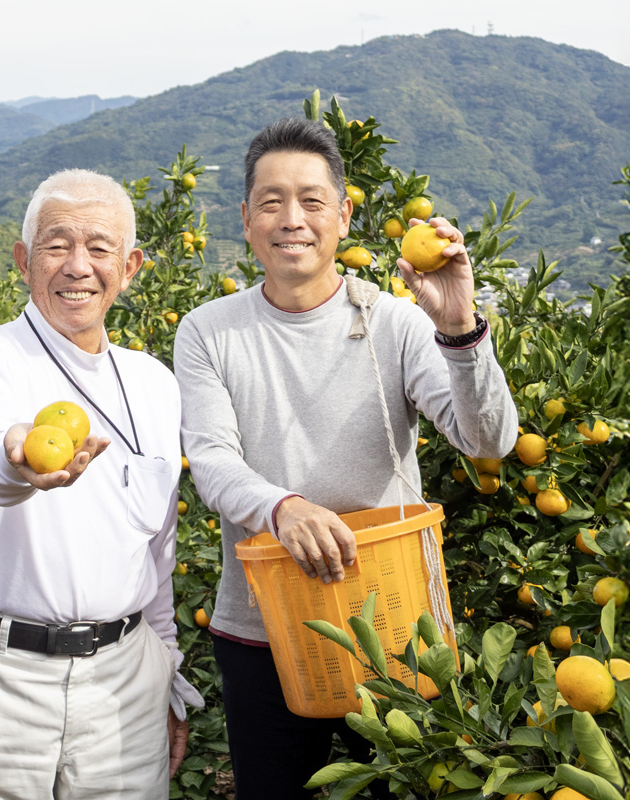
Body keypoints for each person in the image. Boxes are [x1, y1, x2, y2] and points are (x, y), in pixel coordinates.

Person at [173, 117, 518, 799]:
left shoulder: (398, 322)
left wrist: (459, 328)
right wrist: (283, 508)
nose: (292, 219)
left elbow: (489, 441)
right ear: (246, 219)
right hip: (263, 631)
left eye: (311, 201)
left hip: (392, 624)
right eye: (271, 202)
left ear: (344, 216)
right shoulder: (208, 331)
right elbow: (211, 461)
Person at [0, 169, 202, 798]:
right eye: (57, 246)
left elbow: (158, 546)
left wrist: (165, 669)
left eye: (100, 248)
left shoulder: (154, 383)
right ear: (24, 261)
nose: (78, 266)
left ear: (129, 268)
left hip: (126, 682)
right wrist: (21, 464)